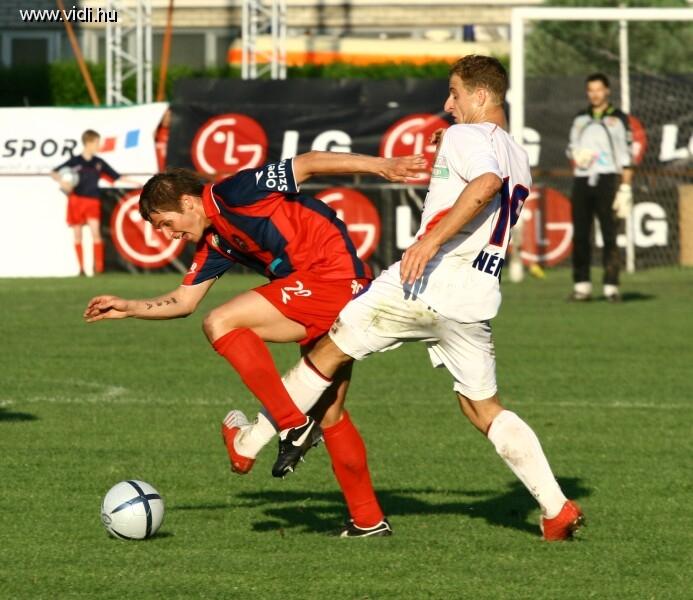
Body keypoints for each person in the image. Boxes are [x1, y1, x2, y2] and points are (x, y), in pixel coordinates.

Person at [229, 55, 584, 541]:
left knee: (327, 354)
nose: (447, 104)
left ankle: (249, 442)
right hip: (474, 298)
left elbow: (484, 185)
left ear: (481, 95)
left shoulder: (465, 137)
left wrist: (429, 243)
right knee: (482, 408)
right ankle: (556, 508)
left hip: (423, 283)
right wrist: (447, 149)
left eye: (455, 94)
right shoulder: (516, 153)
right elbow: (483, 177)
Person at [83, 150, 426, 538]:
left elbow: (307, 164)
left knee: (221, 321)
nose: (167, 235)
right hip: (322, 289)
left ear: (188, 202)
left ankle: (291, 425)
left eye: (166, 223)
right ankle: (367, 520)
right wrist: (130, 307)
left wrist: (382, 166)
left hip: (332, 278)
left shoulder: (235, 191)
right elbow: (184, 302)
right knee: (329, 412)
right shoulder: (216, 241)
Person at [567, 73, 633, 302]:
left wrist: (625, 187)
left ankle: (611, 286)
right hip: (582, 179)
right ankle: (582, 285)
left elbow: (626, 155)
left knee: (609, 233)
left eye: (599, 89)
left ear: (607, 91)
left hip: (607, 179)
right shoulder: (580, 118)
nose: (595, 94)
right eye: (591, 90)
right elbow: (571, 148)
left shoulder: (618, 118)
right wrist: (576, 155)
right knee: (581, 234)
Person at [52, 129, 138, 275]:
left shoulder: (98, 162)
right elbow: (54, 172)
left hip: (93, 201)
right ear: (89, 143)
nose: (99, 146)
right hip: (76, 200)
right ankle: (81, 269)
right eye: (97, 142)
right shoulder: (75, 161)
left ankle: (98, 269)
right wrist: (63, 182)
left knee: (95, 233)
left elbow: (116, 176)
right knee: (77, 235)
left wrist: (137, 183)